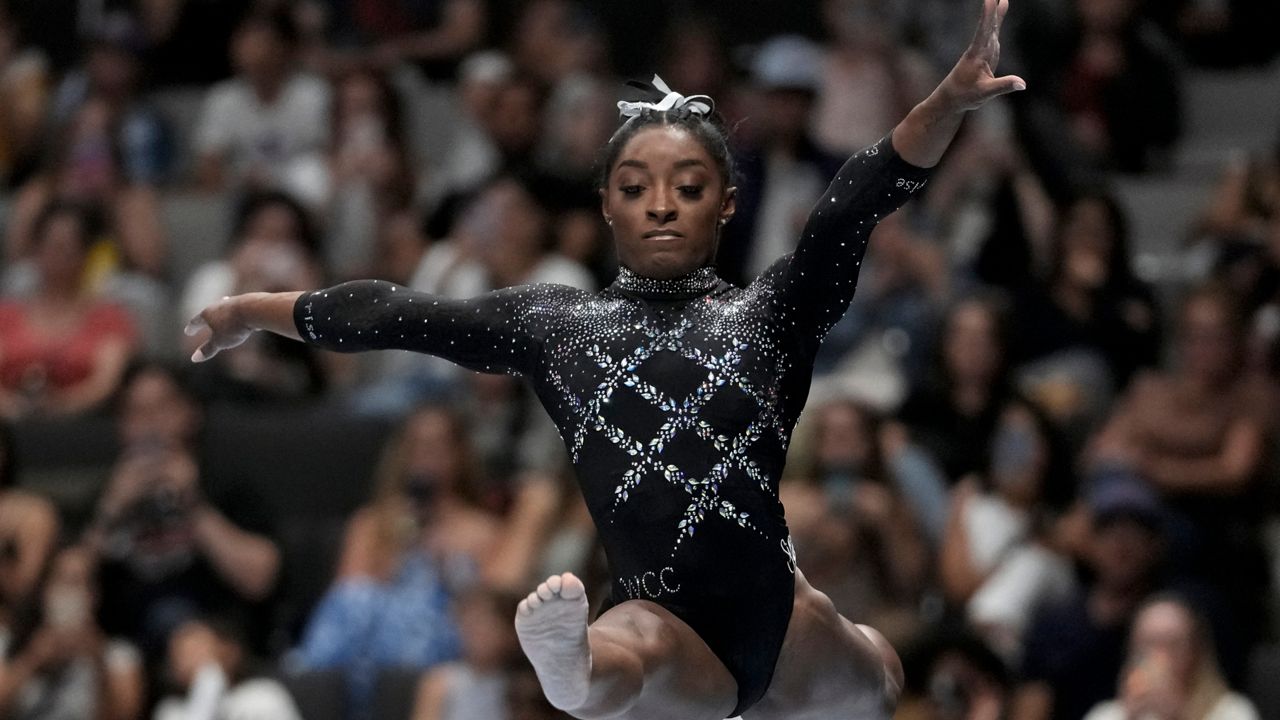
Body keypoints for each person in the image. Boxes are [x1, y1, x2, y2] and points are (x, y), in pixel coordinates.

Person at [187, 1, 1025, 717]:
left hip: (784, 615)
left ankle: (775, 658)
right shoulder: (558, 324)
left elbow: (855, 201)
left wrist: (947, 102)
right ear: (605, 205)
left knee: (881, 674)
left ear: (727, 204)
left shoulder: (773, 312)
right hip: (666, 620)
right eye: (636, 187)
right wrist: (250, 312)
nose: (662, 205)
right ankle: (570, 668)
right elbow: (401, 313)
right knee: (629, 650)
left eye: (689, 187)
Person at [1082, 596, 1259, 720]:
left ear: (1195, 652)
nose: (1159, 656)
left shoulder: (1232, 711)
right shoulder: (1106, 715)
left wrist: (1177, 717)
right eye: (1148, 643)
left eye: (1172, 643)